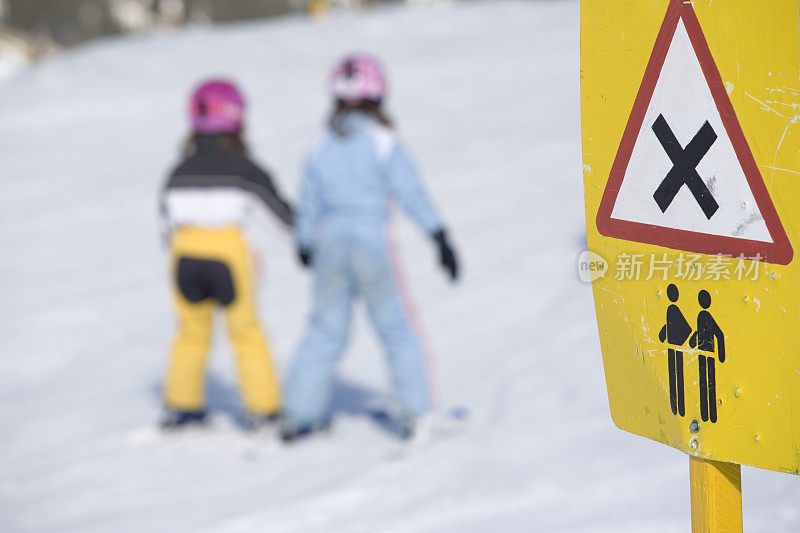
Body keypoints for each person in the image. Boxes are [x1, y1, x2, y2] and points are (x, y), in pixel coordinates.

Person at [281, 54, 459, 441]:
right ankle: (419, 414)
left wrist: (305, 241)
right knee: (395, 327)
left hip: (329, 243)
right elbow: (410, 191)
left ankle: (298, 416)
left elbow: (308, 199)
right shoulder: (382, 141)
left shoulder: (319, 144)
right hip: (371, 242)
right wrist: (438, 235)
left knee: (325, 329)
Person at [159, 79, 293, 429]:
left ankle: (182, 406)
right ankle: (264, 411)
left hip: (183, 257)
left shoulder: (177, 172)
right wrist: (307, 241)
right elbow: (280, 216)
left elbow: (166, 221)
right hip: (227, 256)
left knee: (190, 333)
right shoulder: (245, 169)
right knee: (246, 333)